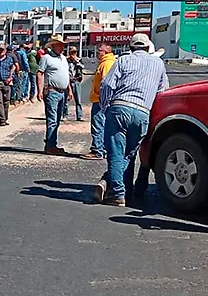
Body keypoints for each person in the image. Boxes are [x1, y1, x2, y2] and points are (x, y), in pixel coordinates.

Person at [95, 34, 169, 206]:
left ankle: (116, 192)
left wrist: (106, 107)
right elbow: (163, 90)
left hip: (120, 108)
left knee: (115, 153)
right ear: (147, 47)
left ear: (131, 47)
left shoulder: (123, 60)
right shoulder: (158, 63)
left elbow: (106, 85)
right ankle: (120, 188)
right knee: (129, 153)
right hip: (143, 112)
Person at [37, 35, 72, 155]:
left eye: (63, 45)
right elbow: (40, 74)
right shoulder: (46, 58)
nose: (63, 47)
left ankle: (52, 143)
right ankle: (50, 146)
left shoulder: (63, 58)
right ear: (53, 45)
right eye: (60, 45)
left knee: (57, 120)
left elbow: (66, 75)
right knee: (52, 120)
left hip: (62, 92)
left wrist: (69, 90)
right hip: (52, 91)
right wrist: (40, 91)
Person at [83, 44, 116, 161]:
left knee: (98, 125)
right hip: (101, 99)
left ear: (106, 52)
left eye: (99, 50)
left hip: (100, 100)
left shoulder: (107, 63)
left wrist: (103, 99)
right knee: (102, 125)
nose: (97, 52)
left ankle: (97, 150)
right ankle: (102, 149)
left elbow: (106, 83)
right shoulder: (106, 62)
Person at [66, 47, 86, 121]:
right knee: (67, 99)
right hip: (68, 81)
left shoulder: (79, 60)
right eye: (71, 52)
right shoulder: (66, 60)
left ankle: (79, 116)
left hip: (76, 80)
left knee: (78, 99)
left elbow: (82, 67)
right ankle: (65, 115)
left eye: (74, 52)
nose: (73, 54)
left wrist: (76, 61)